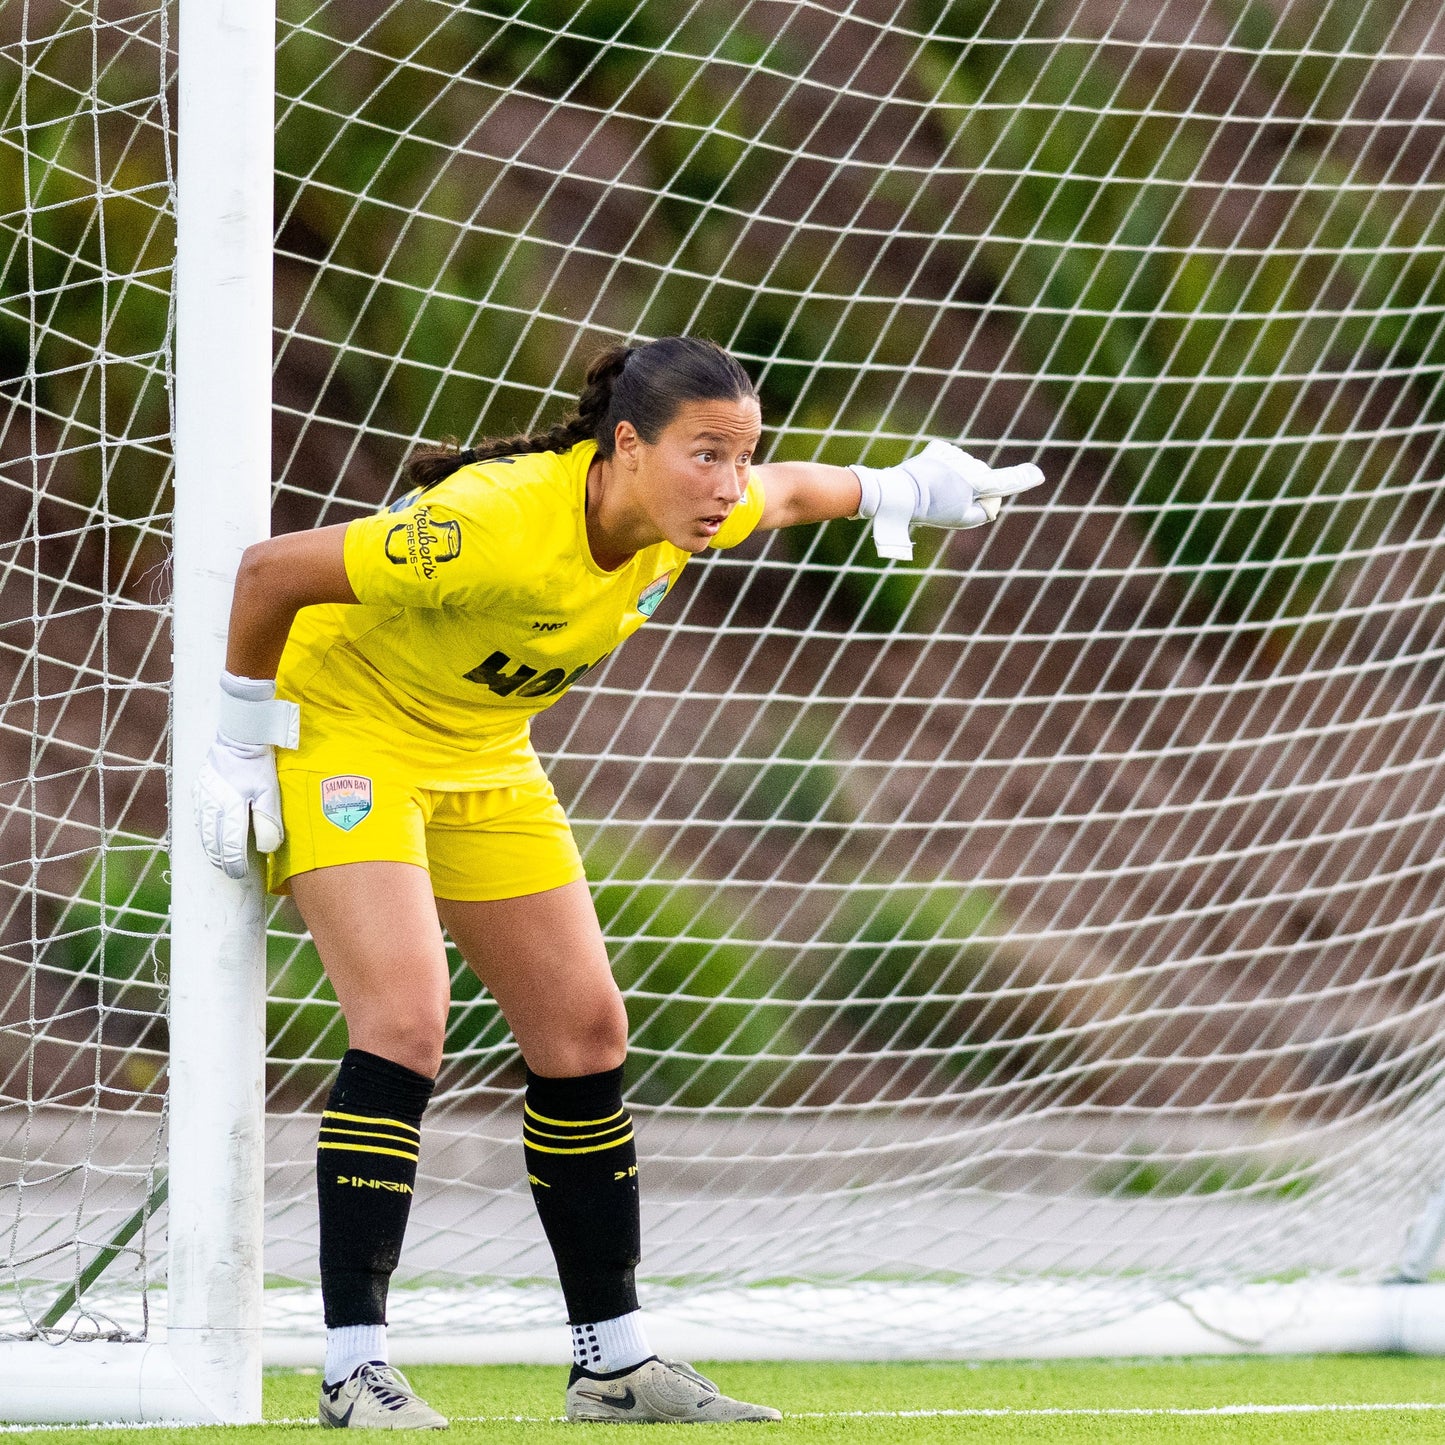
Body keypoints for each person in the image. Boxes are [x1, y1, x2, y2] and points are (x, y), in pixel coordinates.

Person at [194, 336, 1043, 1429]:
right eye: (705, 454)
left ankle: (611, 1361)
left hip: (484, 755)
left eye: (738, 453)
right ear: (626, 445)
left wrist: (902, 484)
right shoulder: (494, 522)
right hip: (352, 737)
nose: (727, 482)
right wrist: (237, 742)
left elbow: (786, 494)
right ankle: (353, 1366)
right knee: (404, 1020)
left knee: (586, 1033)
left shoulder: (695, 506)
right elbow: (273, 573)